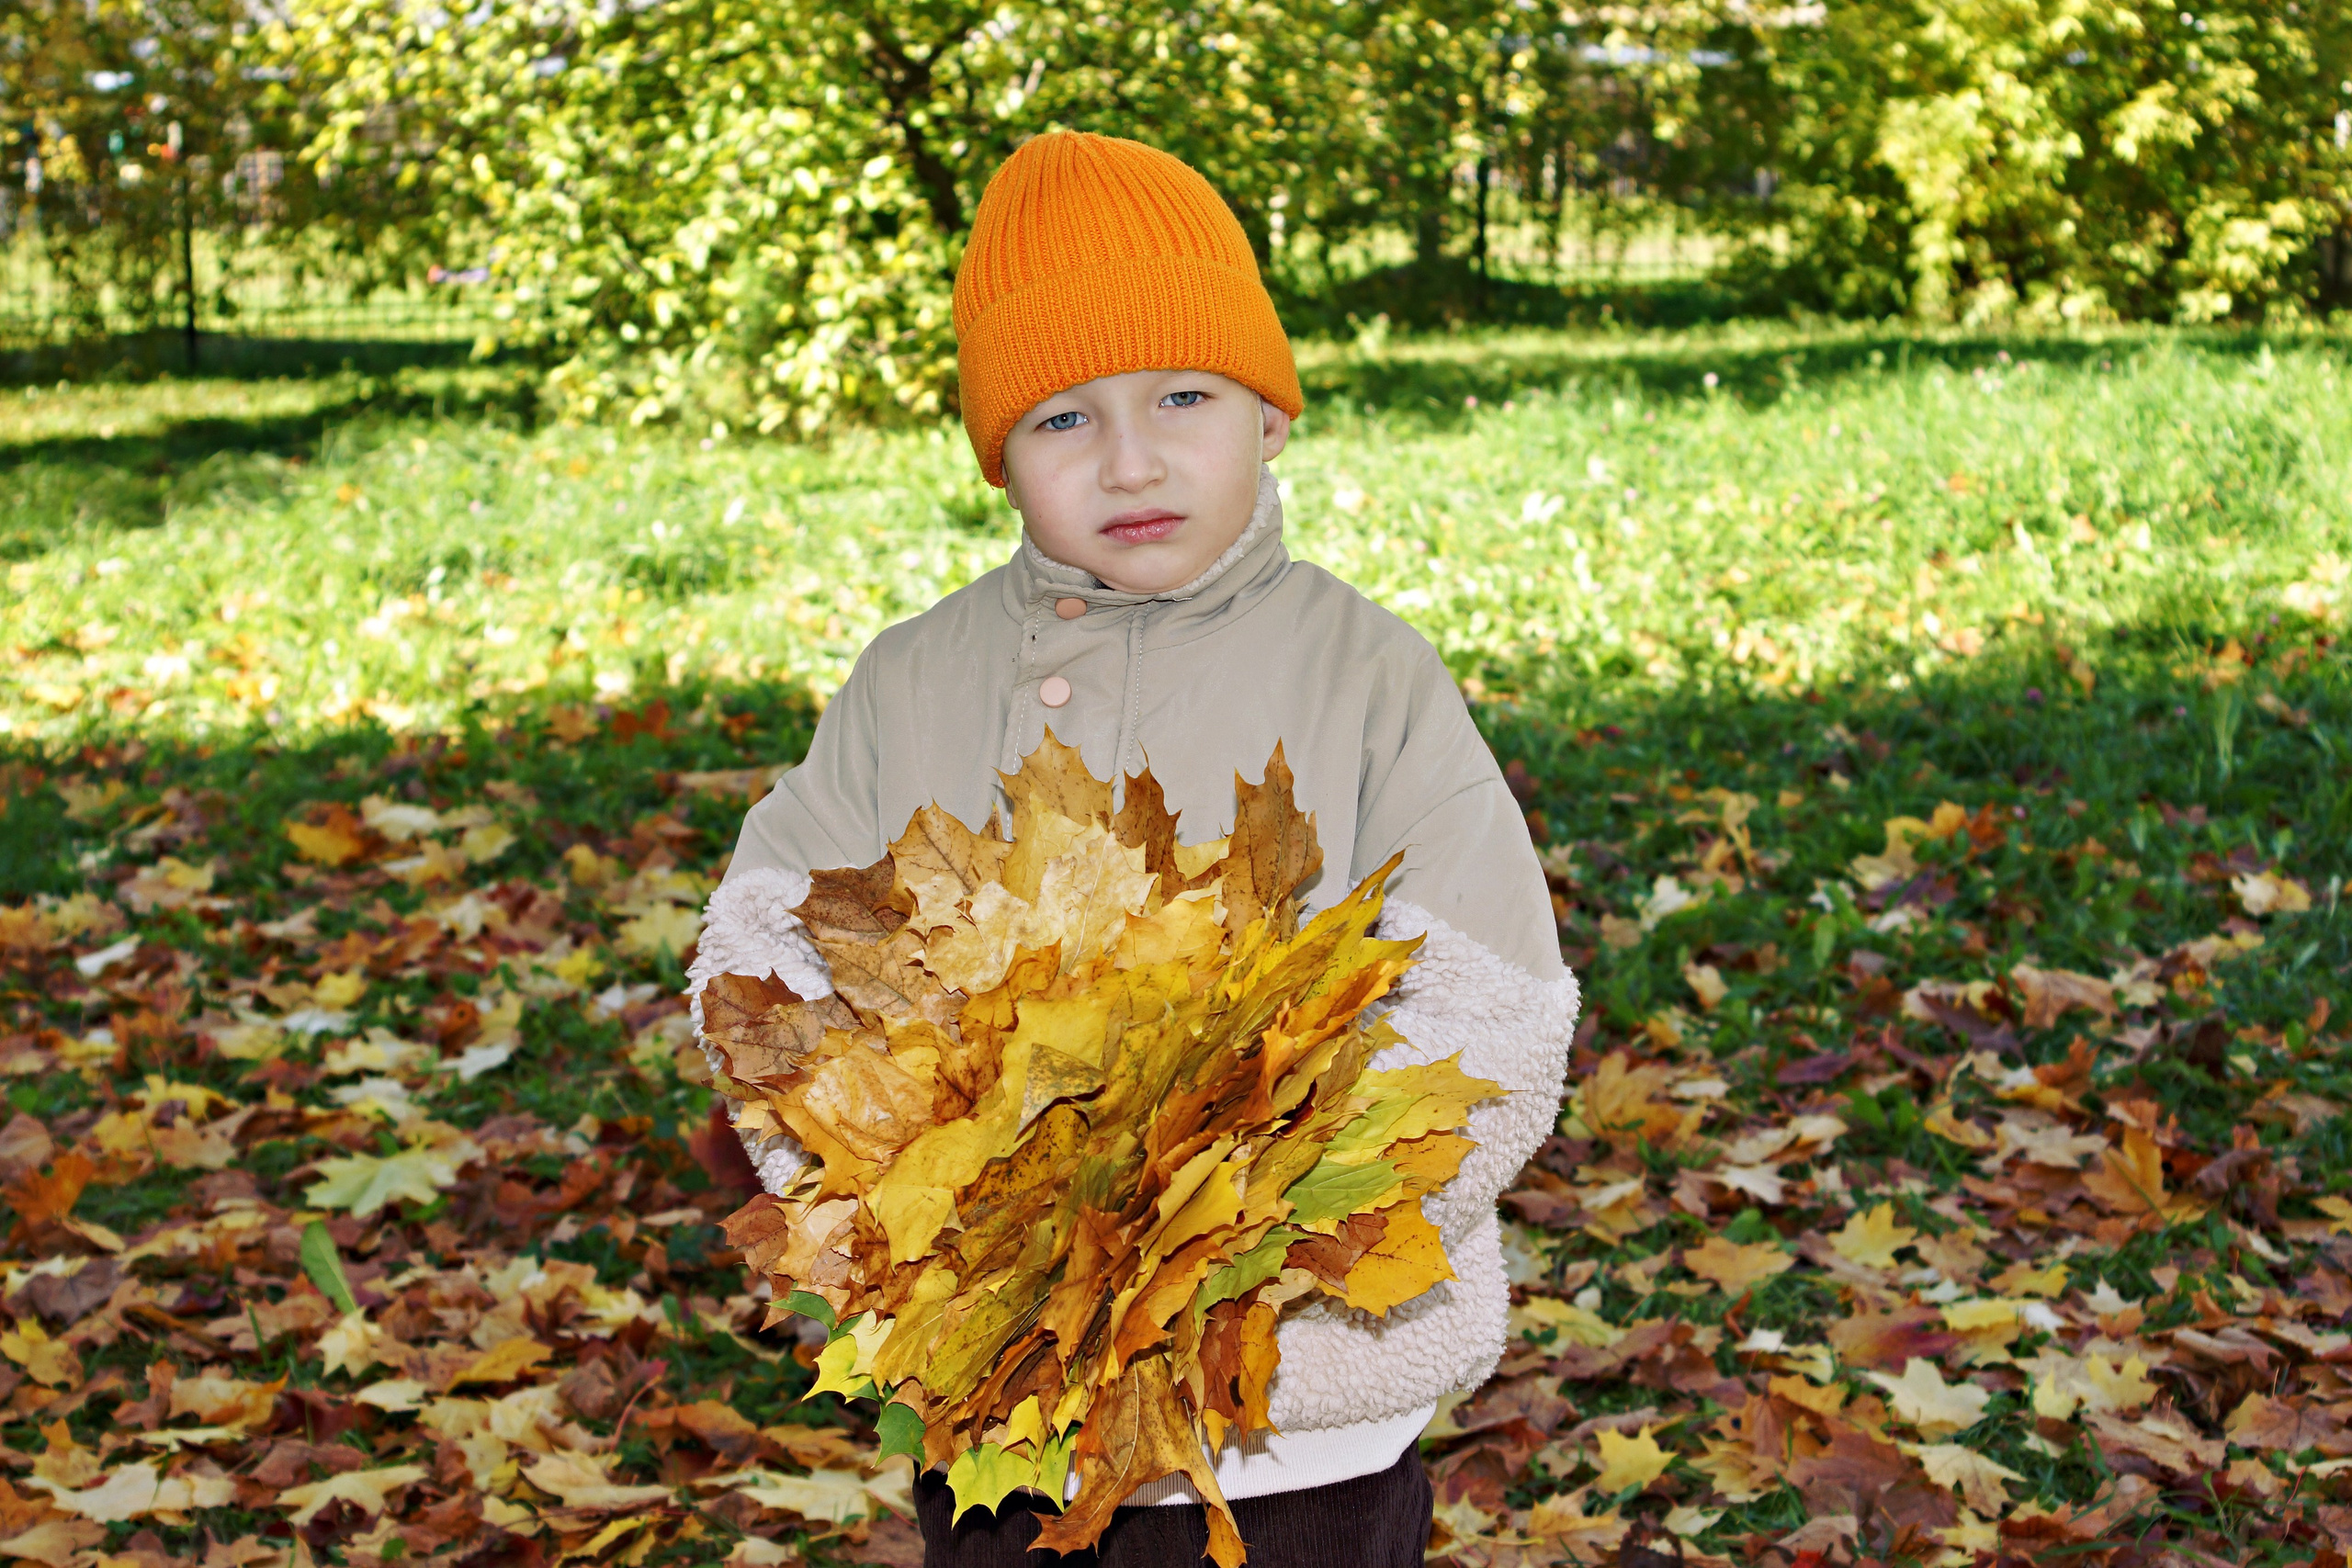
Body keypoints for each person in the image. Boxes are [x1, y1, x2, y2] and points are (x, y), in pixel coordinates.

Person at [691, 130, 1579, 1567]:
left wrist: (1245, 1259)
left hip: (1307, 1427)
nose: (1131, 458)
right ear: (999, 459)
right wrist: (911, 1218)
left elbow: (1489, 1000)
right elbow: (767, 957)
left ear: (1270, 416)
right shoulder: (917, 681)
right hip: (1005, 1404)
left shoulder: (1367, 678)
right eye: (1061, 419)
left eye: (1183, 396)